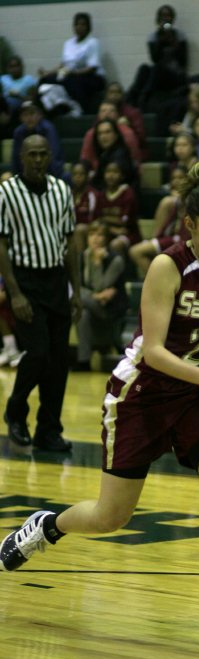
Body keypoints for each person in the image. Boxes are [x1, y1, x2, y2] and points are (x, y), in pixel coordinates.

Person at [0, 161, 199, 659]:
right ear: (190, 227)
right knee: (111, 516)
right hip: (140, 395)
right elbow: (156, 350)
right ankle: (47, 526)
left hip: (196, 399)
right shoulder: (168, 266)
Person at [0, 135, 81, 451]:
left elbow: (71, 242)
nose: (37, 160)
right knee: (38, 353)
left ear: (50, 157)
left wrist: (75, 290)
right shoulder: (7, 193)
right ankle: (15, 411)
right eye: (32, 154)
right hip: (26, 281)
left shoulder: (62, 190)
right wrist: (15, 293)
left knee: (59, 361)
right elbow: (2, 244)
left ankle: (49, 430)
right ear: (21, 156)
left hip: (57, 281)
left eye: (43, 154)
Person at [73, 223, 128, 372]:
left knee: (74, 299)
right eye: (92, 235)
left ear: (107, 239)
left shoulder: (115, 260)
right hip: (93, 306)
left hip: (110, 309)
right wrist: (95, 296)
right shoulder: (82, 257)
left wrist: (97, 263)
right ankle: (84, 361)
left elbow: (100, 286)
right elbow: (78, 286)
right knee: (82, 313)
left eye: (100, 235)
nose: (95, 239)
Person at [129, 164, 189, 278]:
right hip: (171, 240)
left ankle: (157, 285)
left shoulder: (193, 198)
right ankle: (157, 284)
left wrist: (180, 199)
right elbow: (157, 233)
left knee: (136, 251)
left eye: (181, 178)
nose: (176, 181)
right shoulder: (171, 200)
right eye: (174, 178)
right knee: (136, 251)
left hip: (186, 242)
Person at [38, 12, 105, 113]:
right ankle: (51, 108)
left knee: (73, 81)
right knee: (44, 80)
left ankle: (83, 111)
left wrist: (72, 73)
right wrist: (48, 72)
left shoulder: (93, 43)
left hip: (93, 77)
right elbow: (63, 65)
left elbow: (92, 68)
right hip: (69, 75)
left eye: (83, 24)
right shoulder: (68, 43)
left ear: (88, 27)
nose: (80, 27)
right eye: (77, 24)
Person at [127, 4, 188, 114]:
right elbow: (154, 59)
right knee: (144, 68)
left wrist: (173, 42)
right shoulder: (153, 36)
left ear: (173, 18)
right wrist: (160, 41)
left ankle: (143, 99)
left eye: (168, 15)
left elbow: (183, 61)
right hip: (158, 75)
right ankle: (130, 99)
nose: (165, 18)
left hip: (176, 76)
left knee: (158, 68)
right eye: (162, 16)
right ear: (158, 19)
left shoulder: (180, 35)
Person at [93, 160, 141, 255]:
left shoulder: (127, 193)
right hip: (108, 232)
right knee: (94, 239)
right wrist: (112, 229)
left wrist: (105, 219)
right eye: (108, 172)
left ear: (122, 175)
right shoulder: (101, 195)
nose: (111, 175)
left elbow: (123, 222)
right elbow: (97, 220)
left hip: (129, 235)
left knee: (116, 244)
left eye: (115, 172)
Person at [12, 102, 65, 179]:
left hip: (48, 174)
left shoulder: (49, 129)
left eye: (32, 114)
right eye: (25, 115)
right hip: (26, 175)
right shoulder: (18, 132)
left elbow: (54, 157)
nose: (29, 118)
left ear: (40, 115)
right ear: (21, 118)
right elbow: (16, 159)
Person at [80, 100, 141, 167]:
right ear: (98, 115)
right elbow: (85, 158)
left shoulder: (127, 133)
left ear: (117, 114)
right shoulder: (91, 134)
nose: (107, 114)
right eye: (103, 111)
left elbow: (134, 159)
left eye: (111, 111)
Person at [88, 118, 138, 191]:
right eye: (100, 133)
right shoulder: (104, 154)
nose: (103, 137)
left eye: (107, 132)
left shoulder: (120, 155)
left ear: (116, 135)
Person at [104, 82, 147, 160]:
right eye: (111, 92)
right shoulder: (103, 113)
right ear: (106, 95)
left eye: (117, 92)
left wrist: (128, 127)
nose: (114, 95)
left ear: (123, 95)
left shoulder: (133, 113)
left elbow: (141, 138)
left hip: (129, 152)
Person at [71, 160, 99, 254]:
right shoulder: (68, 194)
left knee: (79, 229)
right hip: (73, 229)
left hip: (90, 230)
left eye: (81, 174)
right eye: (75, 174)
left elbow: (94, 220)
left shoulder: (92, 195)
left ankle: (80, 266)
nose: (78, 177)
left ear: (87, 176)